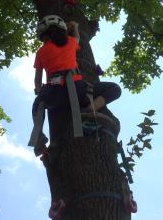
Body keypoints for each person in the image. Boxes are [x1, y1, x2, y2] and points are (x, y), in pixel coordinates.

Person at [29, 15, 121, 154]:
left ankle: (39, 135)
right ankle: (89, 109)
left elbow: (37, 79)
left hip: (55, 94)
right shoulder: (71, 42)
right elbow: (77, 37)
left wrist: (39, 91)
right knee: (115, 89)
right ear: (62, 30)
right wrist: (75, 26)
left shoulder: (41, 52)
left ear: (43, 35)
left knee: (38, 104)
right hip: (79, 91)